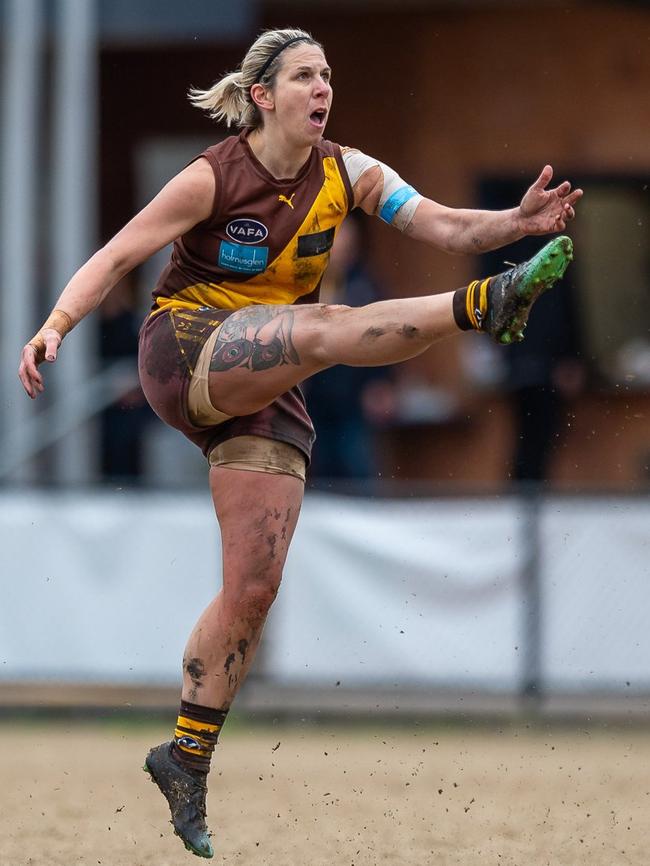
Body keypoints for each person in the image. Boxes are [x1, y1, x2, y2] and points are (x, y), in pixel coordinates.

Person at [18, 27, 582, 859]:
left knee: (253, 585)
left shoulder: (350, 173)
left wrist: (515, 221)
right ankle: (486, 306)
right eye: (305, 77)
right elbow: (117, 254)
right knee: (326, 327)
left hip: (269, 380)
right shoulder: (212, 175)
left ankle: (184, 757)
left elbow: (444, 223)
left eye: (328, 77)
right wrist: (56, 325)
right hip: (184, 348)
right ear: (263, 96)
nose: (322, 90)